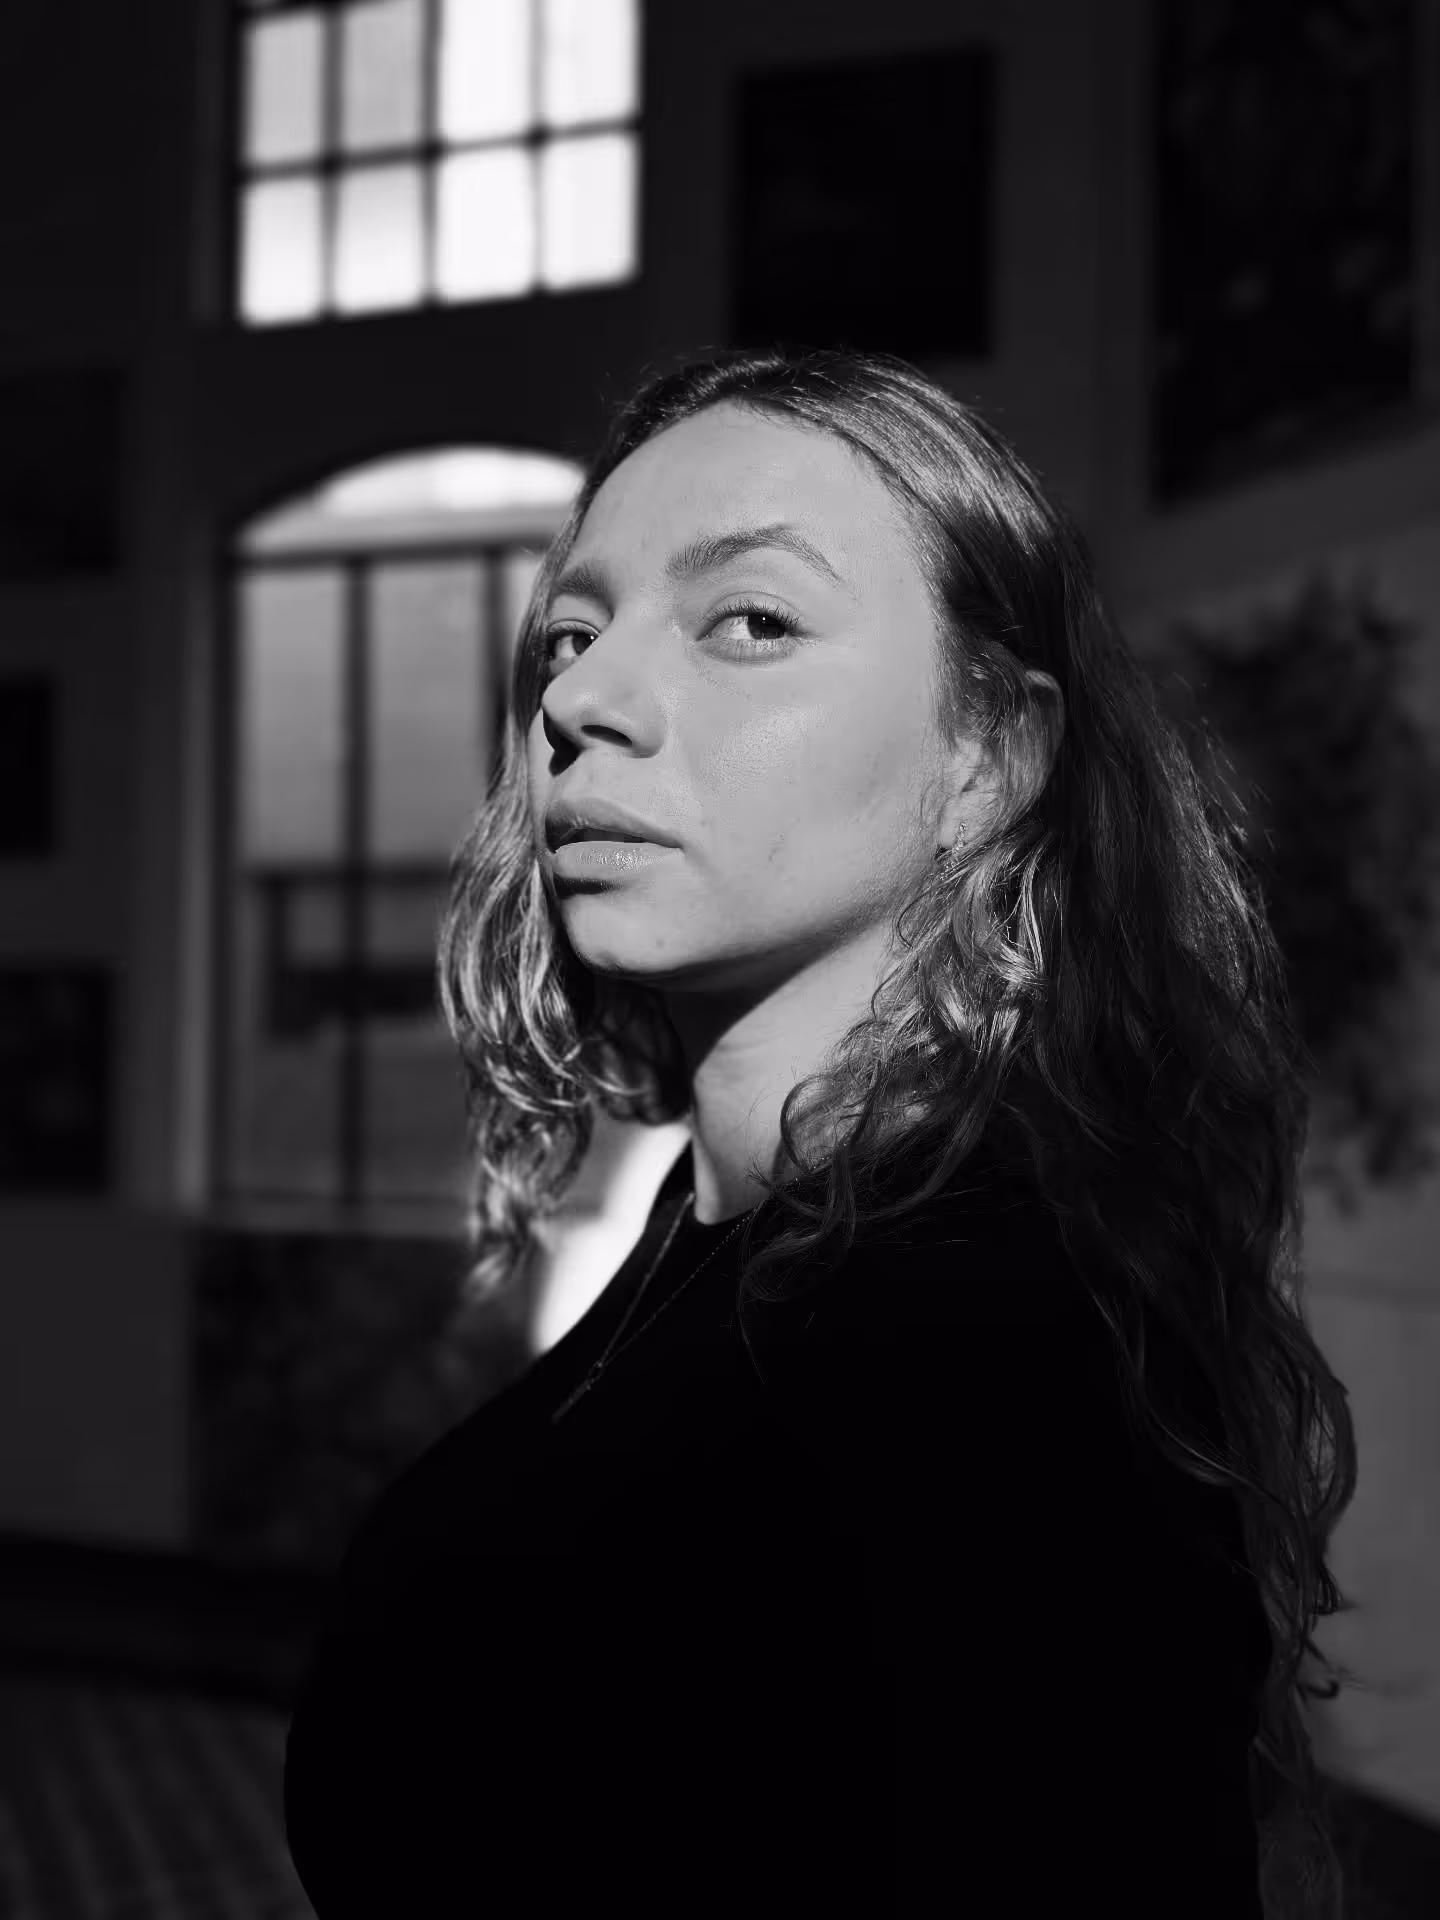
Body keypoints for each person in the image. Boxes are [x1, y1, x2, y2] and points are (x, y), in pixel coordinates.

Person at [283, 345, 1357, 1917]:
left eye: (752, 623)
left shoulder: (987, 1339)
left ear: (988, 756)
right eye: (572, 631)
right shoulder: (731, 1237)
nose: (577, 698)